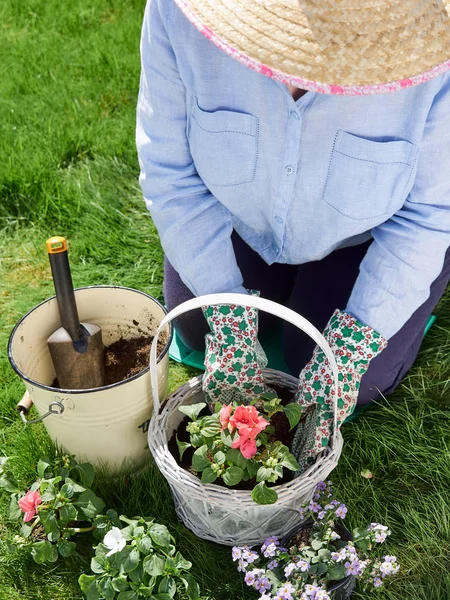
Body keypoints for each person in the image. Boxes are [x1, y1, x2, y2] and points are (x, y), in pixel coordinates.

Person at [136, 0, 450, 466]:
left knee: (346, 369)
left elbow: (427, 215)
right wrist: (226, 307)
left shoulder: (435, 48)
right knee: (198, 327)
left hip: (363, 238)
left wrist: (350, 349)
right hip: (239, 219)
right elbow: (171, 176)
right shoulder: (180, 14)